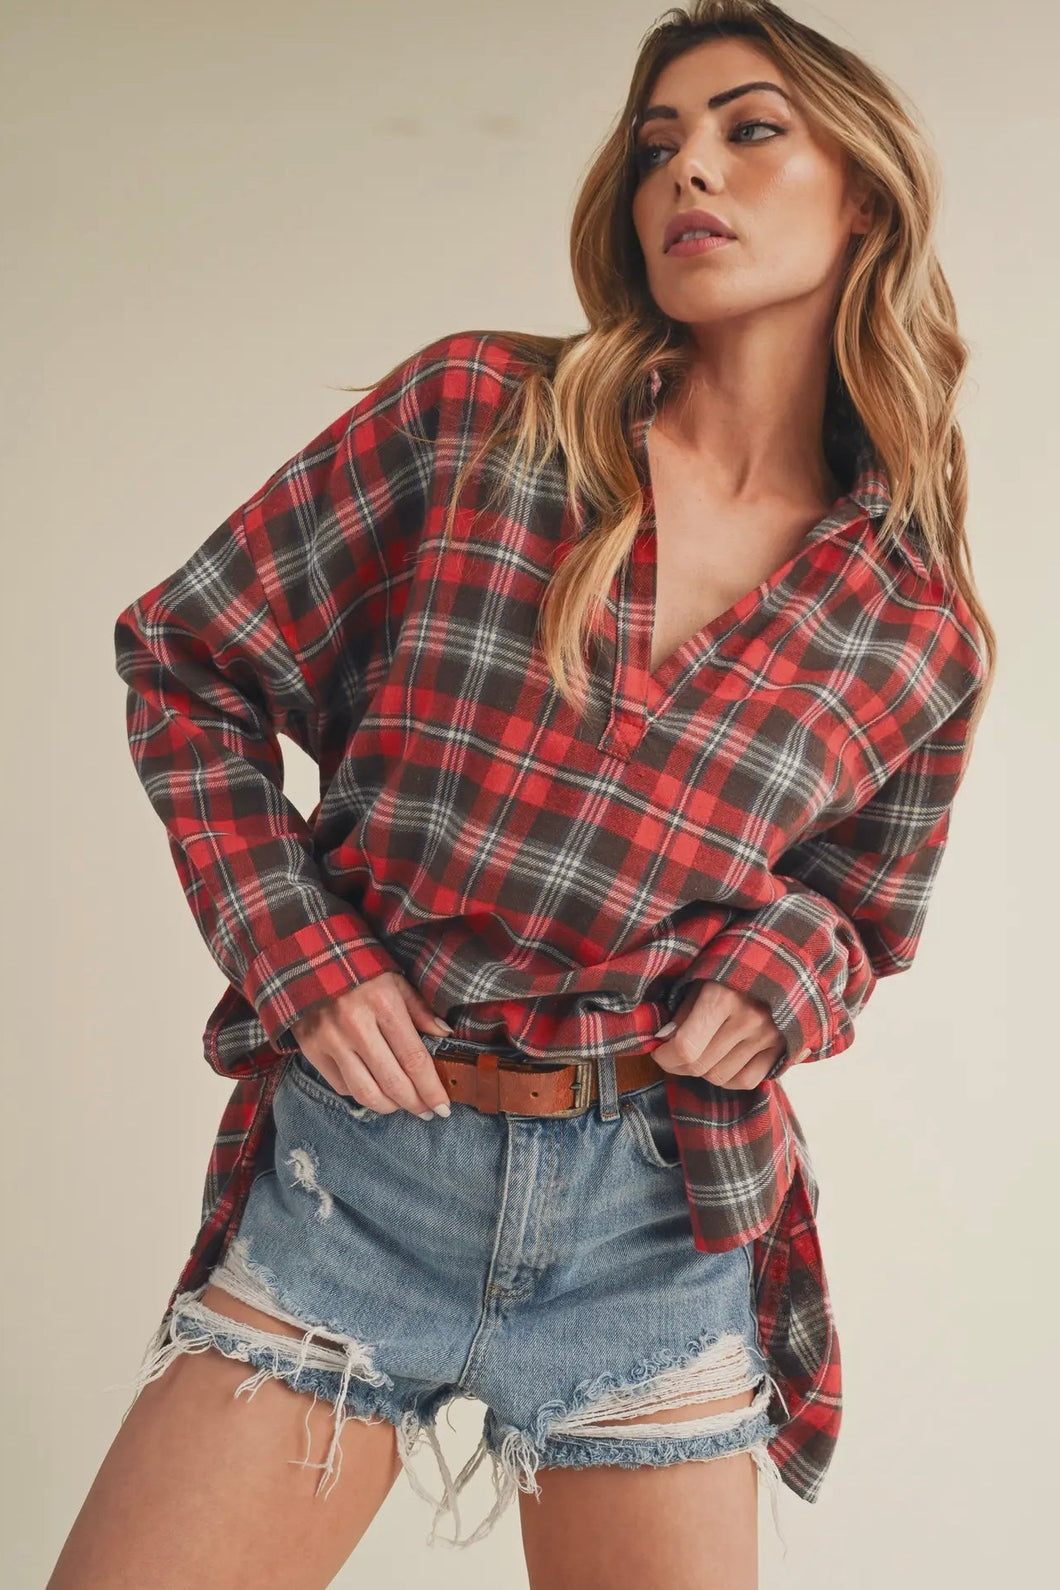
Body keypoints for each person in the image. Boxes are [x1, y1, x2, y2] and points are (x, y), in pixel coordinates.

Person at [47, 3, 994, 1587]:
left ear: (867, 199)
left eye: (751, 129)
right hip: (359, 1184)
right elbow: (185, 658)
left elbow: (858, 909)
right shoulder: (479, 414)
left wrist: (781, 977)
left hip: (656, 1219)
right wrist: (308, 953)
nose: (690, 165)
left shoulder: (915, 622)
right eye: (656, 147)